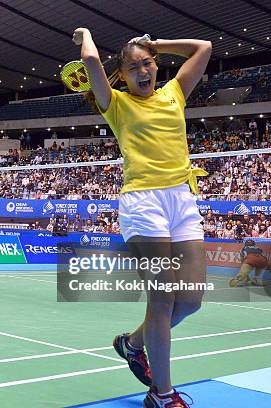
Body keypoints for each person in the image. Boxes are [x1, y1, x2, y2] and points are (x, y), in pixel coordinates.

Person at [74, 28, 211, 407]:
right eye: (133, 67)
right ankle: (163, 395)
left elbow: (203, 47)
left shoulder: (174, 93)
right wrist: (86, 33)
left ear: (155, 65)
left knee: (191, 300)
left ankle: (132, 344)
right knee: (163, 297)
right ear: (124, 74)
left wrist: (158, 45)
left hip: (182, 200)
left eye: (147, 63)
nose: (142, 71)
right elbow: (89, 61)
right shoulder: (115, 103)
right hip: (143, 203)